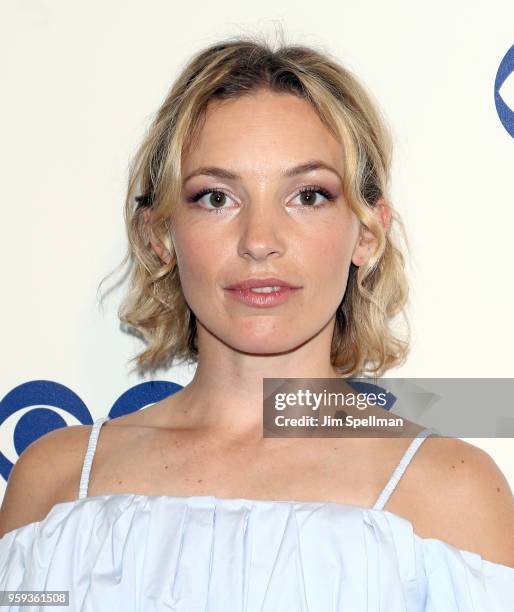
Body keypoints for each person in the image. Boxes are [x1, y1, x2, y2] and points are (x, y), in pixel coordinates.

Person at [0, 33, 513, 611]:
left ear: (367, 233)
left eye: (309, 196)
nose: (260, 241)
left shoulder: (451, 495)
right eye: (217, 198)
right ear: (160, 234)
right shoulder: (55, 484)